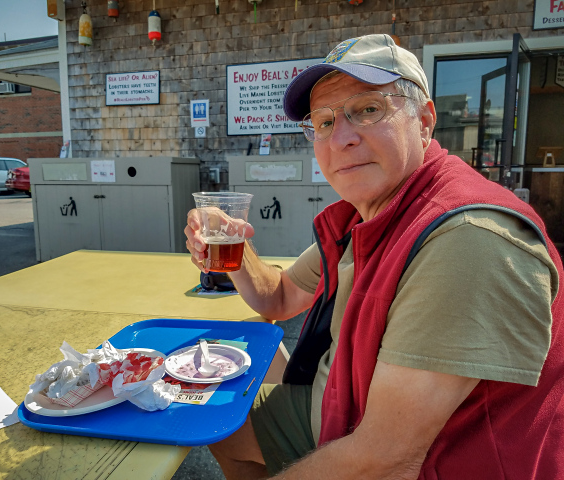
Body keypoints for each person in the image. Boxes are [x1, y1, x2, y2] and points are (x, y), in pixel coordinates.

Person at [185, 34, 564, 479]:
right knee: (210, 420)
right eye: (323, 122)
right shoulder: (365, 217)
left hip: (429, 459)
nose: (340, 137)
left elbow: (386, 460)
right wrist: (236, 244)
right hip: (338, 408)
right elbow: (279, 298)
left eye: (367, 109)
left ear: (424, 121)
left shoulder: (466, 239)